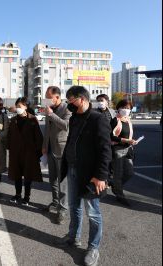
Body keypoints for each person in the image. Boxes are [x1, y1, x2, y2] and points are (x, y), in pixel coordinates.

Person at [58, 86, 112, 266]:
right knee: (74, 206)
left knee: (93, 213)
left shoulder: (98, 118)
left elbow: (105, 149)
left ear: (81, 99)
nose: (68, 104)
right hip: (73, 168)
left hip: (91, 175)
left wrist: (101, 176)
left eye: (70, 100)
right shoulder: (74, 118)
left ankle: (93, 247)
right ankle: (73, 236)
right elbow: (71, 142)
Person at [42, 86, 71, 224]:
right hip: (50, 148)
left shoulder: (67, 108)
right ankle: (55, 202)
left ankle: (63, 209)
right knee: (52, 179)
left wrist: (51, 115)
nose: (47, 100)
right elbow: (47, 129)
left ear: (57, 97)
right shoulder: (49, 109)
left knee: (62, 181)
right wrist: (44, 146)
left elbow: (66, 126)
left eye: (49, 97)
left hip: (61, 149)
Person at [8, 97, 43, 206]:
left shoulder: (32, 119)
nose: (17, 108)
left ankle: (26, 197)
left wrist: (38, 153)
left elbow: (38, 137)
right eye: (17, 106)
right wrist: (10, 148)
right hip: (16, 152)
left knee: (28, 176)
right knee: (17, 175)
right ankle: (18, 194)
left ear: (26, 107)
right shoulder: (13, 120)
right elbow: (10, 136)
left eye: (20, 106)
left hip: (29, 153)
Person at [110, 99, 137, 207]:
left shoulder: (128, 120)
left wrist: (132, 141)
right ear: (119, 108)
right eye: (124, 107)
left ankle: (115, 185)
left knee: (129, 172)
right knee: (118, 174)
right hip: (117, 149)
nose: (126, 110)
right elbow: (110, 136)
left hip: (128, 149)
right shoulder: (115, 120)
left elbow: (128, 135)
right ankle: (119, 195)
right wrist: (125, 141)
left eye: (128, 108)